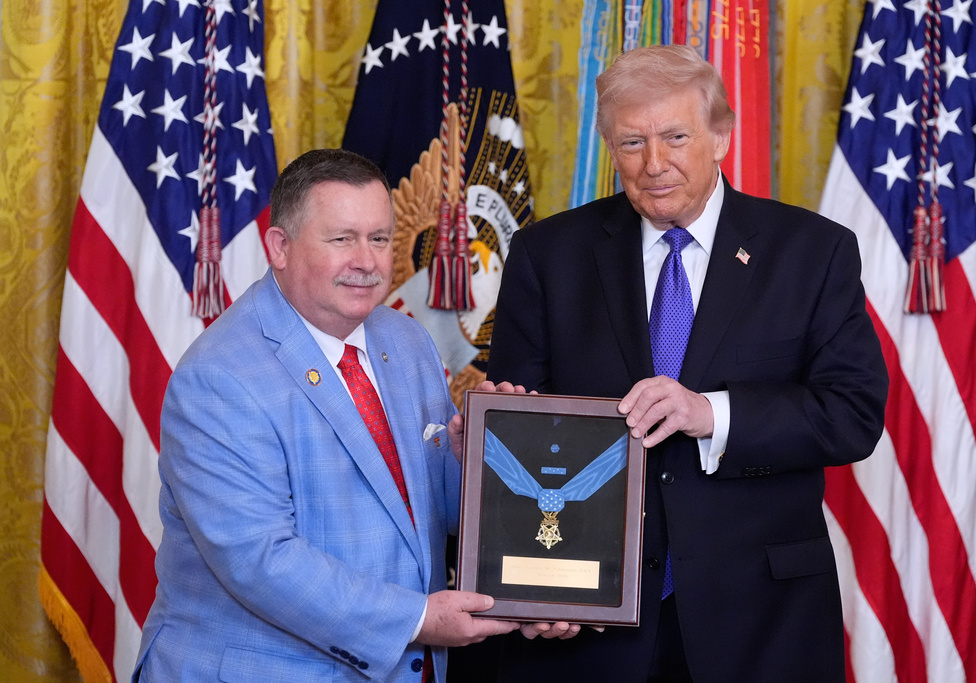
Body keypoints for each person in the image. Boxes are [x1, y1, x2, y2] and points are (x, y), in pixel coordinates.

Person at [480, 45, 888, 682]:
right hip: (586, 625)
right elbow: (522, 436)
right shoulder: (546, 255)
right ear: (609, 147)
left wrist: (711, 413)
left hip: (761, 622)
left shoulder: (813, 252)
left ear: (721, 135)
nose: (655, 164)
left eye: (675, 136)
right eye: (632, 142)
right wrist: (533, 584)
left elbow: (853, 415)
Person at [133, 149, 552, 682]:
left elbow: (428, 508)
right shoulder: (219, 378)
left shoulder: (405, 341)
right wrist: (419, 618)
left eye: (379, 239)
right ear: (279, 247)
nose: (367, 261)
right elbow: (260, 560)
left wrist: (473, 459)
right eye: (342, 239)